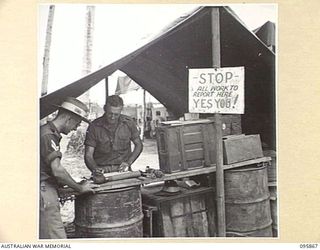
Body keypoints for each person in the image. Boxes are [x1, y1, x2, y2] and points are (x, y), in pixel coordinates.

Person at [39, 97, 99, 239]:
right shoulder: (48, 136)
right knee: (56, 239)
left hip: (45, 188)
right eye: (77, 123)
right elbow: (58, 170)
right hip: (43, 191)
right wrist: (80, 188)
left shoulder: (48, 132)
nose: (76, 128)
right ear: (67, 118)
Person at [84, 95, 143, 174]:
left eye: (116, 114)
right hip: (102, 169)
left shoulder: (128, 123)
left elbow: (139, 145)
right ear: (105, 109)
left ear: (121, 110)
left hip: (123, 169)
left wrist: (128, 162)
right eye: (110, 113)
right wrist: (95, 169)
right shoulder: (94, 126)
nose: (112, 117)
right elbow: (88, 155)